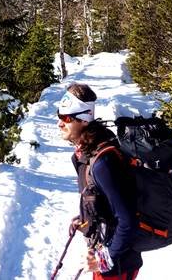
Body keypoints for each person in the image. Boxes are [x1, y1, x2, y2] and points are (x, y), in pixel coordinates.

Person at [57, 83, 143, 280]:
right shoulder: (85, 152)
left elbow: (128, 221)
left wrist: (106, 259)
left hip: (119, 263)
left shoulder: (102, 162)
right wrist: (86, 219)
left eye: (67, 118)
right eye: (59, 115)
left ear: (85, 120)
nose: (60, 123)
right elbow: (100, 198)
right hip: (106, 254)